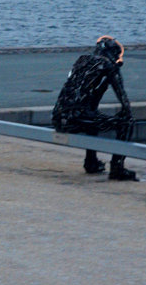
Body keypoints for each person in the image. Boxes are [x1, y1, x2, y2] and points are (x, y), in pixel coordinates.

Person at [52, 35, 138, 181]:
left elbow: (89, 99)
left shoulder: (81, 60)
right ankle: (117, 168)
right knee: (127, 123)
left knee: (92, 116)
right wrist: (125, 113)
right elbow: (123, 98)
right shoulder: (109, 65)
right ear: (113, 53)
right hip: (77, 118)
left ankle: (91, 162)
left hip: (59, 119)